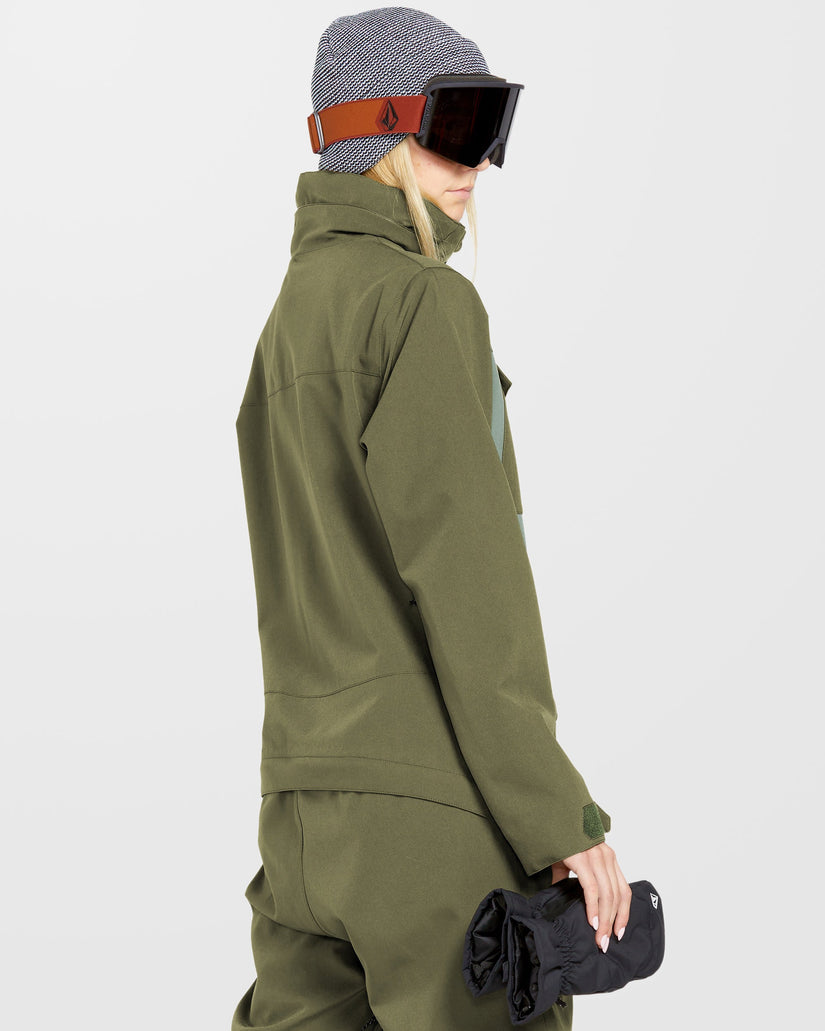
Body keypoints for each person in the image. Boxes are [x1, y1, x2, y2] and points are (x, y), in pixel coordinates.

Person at [231, 8, 631, 1030]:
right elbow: (468, 581)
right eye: (458, 125)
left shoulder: (288, 322)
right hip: (428, 817)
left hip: (302, 816)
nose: (480, 162)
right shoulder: (425, 303)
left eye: (493, 128)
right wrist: (556, 811)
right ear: (374, 130)